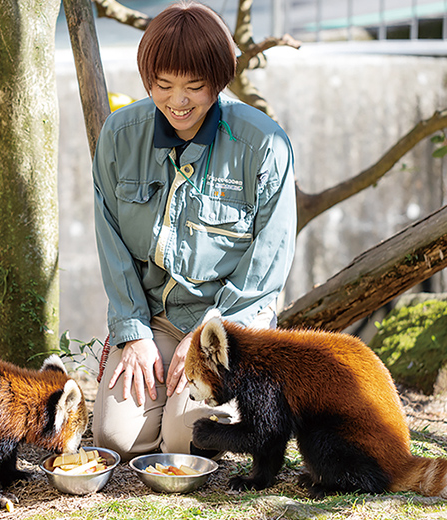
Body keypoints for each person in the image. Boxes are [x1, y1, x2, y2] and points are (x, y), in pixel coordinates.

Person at [91, 0, 297, 461]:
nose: (178, 101)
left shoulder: (264, 145)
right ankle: (148, 382)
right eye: (163, 86)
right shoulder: (120, 135)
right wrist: (133, 331)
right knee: (114, 441)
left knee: (188, 444)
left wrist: (209, 331)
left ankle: (200, 412)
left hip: (225, 327)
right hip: (153, 315)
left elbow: (269, 263)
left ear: (219, 80)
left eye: (194, 87)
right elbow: (110, 238)